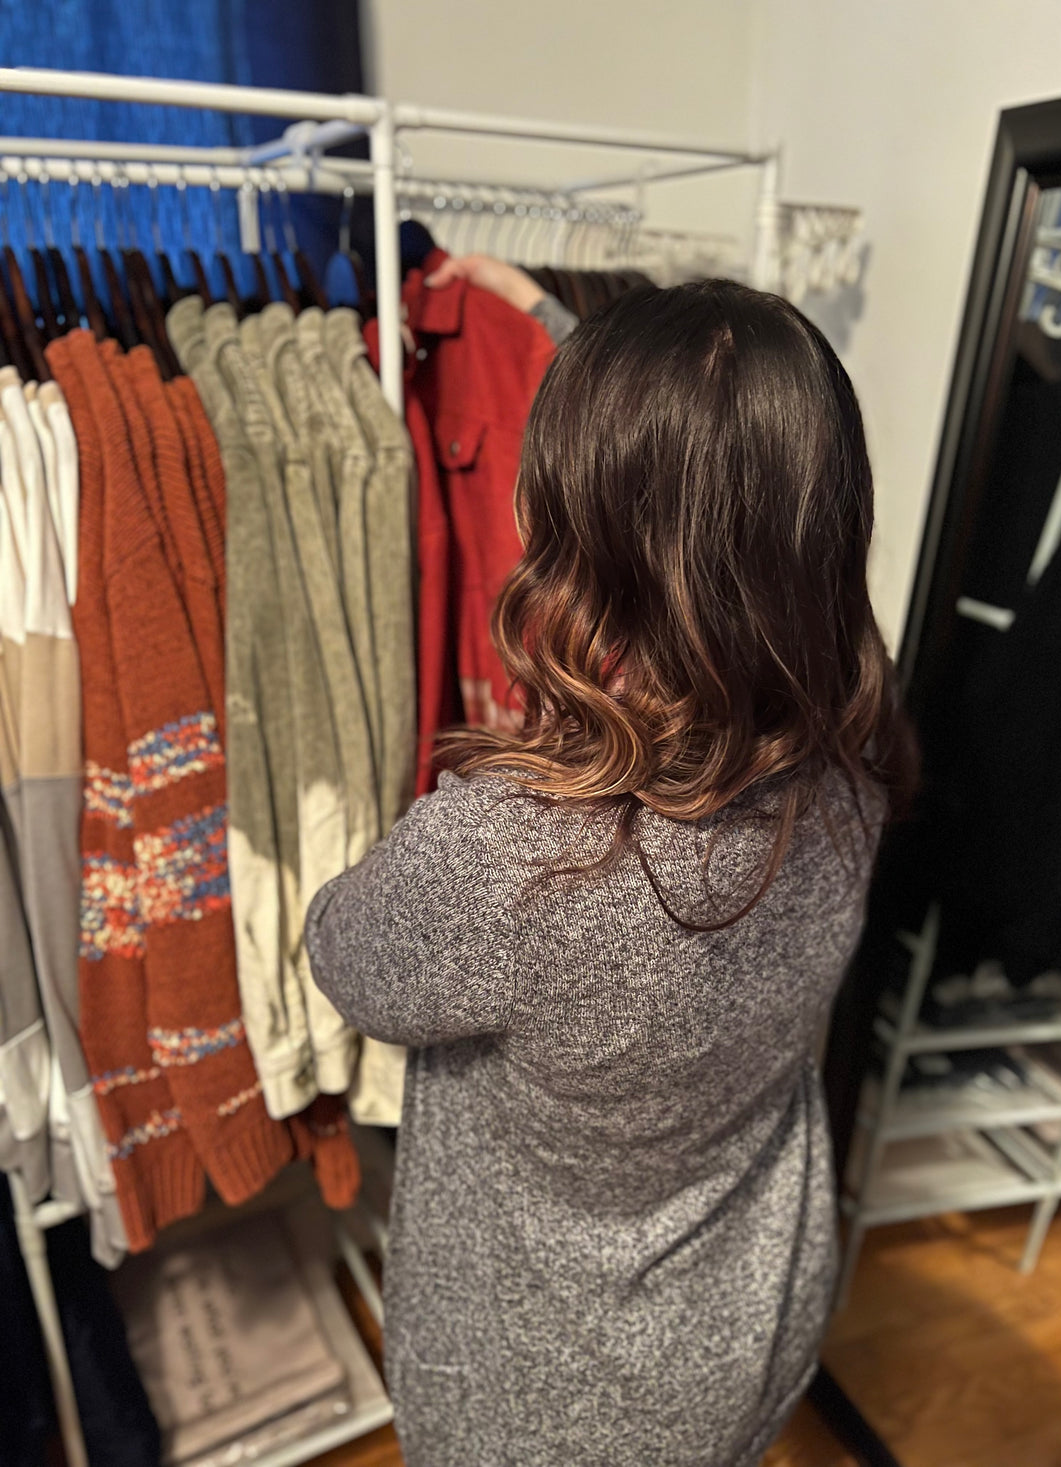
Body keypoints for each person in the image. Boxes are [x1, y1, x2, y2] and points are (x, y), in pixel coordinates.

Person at [306, 259, 917, 1467]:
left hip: (532, 1394)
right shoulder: (854, 767)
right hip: (746, 1325)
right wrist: (532, 307)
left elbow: (346, 959)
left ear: (574, 528)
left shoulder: (513, 852)